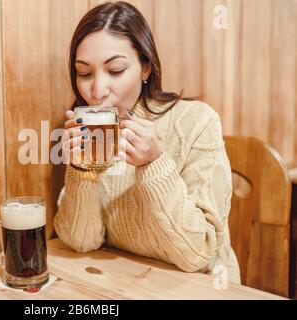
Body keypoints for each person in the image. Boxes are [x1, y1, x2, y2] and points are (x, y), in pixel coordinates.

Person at [53, 1, 241, 283]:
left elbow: (198, 253)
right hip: (126, 283)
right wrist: (81, 170)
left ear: (145, 68)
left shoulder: (197, 122)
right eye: (84, 73)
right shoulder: (87, 132)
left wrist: (154, 163)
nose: (97, 90)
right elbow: (81, 242)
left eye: (115, 70)